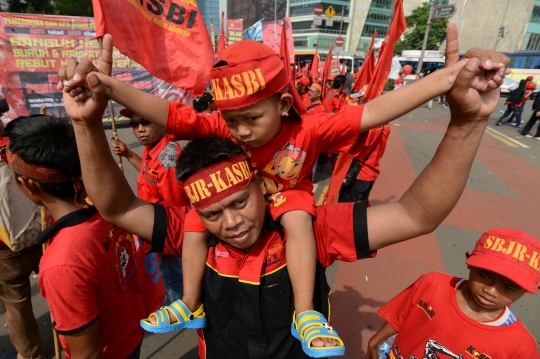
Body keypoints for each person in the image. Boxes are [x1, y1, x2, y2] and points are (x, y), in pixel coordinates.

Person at [59, 29, 509, 357]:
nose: (230, 222)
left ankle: (305, 314)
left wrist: (465, 117)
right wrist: (89, 116)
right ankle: (186, 304)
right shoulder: (195, 223)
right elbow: (118, 202)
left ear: (260, 179)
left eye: (239, 202)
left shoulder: (313, 225)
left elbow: (416, 214)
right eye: (212, 213)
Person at [4, 116, 146, 359]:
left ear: (27, 185)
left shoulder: (61, 264)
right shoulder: (112, 207)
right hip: (130, 334)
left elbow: (88, 354)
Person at [367, 228, 540, 359]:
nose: (491, 290)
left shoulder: (521, 347)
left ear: (526, 291)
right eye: (484, 275)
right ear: (469, 261)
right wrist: (374, 342)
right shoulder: (432, 284)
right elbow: (400, 316)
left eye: (509, 287)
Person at [112, 107, 186, 307]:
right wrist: (128, 153)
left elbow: (174, 206)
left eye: (145, 122)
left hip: (166, 230)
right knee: (166, 272)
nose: (140, 129)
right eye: (134, 124)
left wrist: (169, 240)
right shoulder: (152, 148)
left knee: (172, 275)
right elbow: (148, 172)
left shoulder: (168, 157)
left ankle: (175, 310)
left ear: (161, 124)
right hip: (154, 226)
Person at [0, 123, 45, 359]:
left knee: (16, 305)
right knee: (55, 287)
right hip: (40, 229)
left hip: (5, 247)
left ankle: (32, 356)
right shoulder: (19, 144)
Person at [338, 124, 391, 204]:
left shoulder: (371, 129)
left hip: (359, 174)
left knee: (346, 209)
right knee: (359, 208)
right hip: (371, 174)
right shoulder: (386, 127)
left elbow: (355, 148)